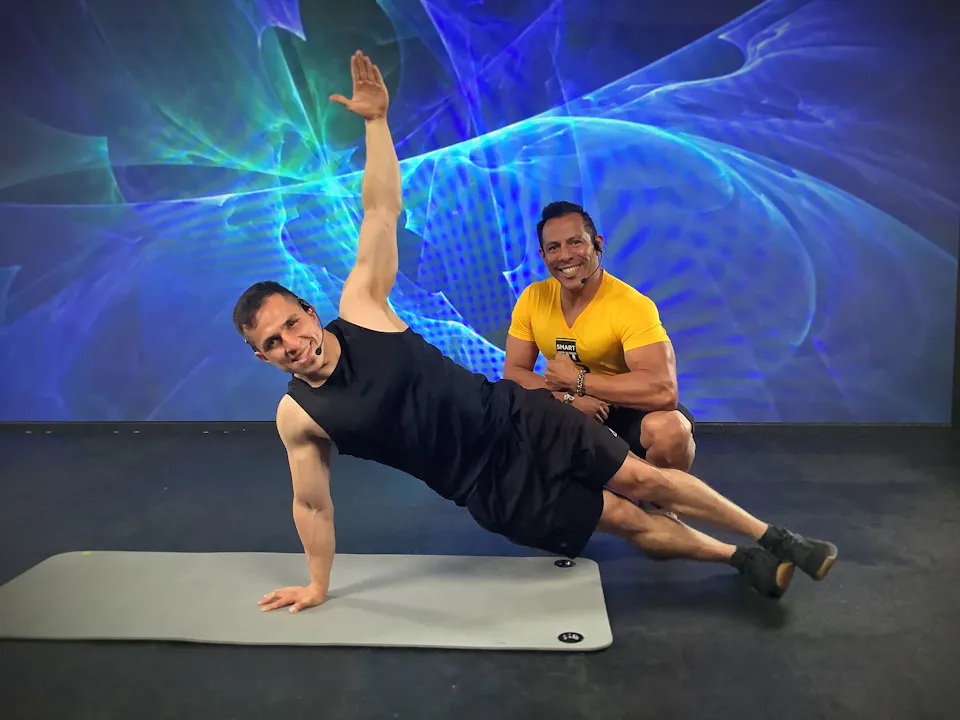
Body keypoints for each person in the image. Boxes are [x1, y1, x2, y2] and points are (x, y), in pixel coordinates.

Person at [233, 51, 838, 615]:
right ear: (262, 357)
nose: (292, 344)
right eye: (272, 344)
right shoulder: (299, 415)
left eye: (292, 324)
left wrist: (376, 124)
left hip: (516, 417)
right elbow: (311, 503)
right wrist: (317, 584)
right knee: (627, 520)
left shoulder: (362, 307)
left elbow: (381, 211)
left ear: (309, 312)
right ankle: (740, 559)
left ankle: (777, 537)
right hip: (488, 486)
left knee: (644, 479)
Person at [503, 201, 695, 472]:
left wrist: (578, 381)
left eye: (575, 242)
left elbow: (663, 391)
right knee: (504, 418)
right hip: (567, 407)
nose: (565, 255)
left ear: (597, 244)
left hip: (622, 408)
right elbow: (514, 373)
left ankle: (658, 497)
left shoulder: (632, 306)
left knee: (671, 429)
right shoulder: (533, 298)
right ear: (543, 255)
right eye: (554, 247)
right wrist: (569, 399)